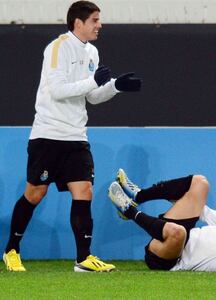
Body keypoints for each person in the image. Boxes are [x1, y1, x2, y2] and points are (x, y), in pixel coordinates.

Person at [3, 1, 141, 272]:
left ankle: (83, 259)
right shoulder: (57, 47)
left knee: (84, 191)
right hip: (48, 134)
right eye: (95, 20)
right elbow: (57, 90)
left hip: (76, 136)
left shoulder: (93, 52)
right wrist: (94, 81)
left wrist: (115, 87)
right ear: (79, 22)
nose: (100, 25)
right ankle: (11, 250)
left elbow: (91, 96)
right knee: (35, 193)